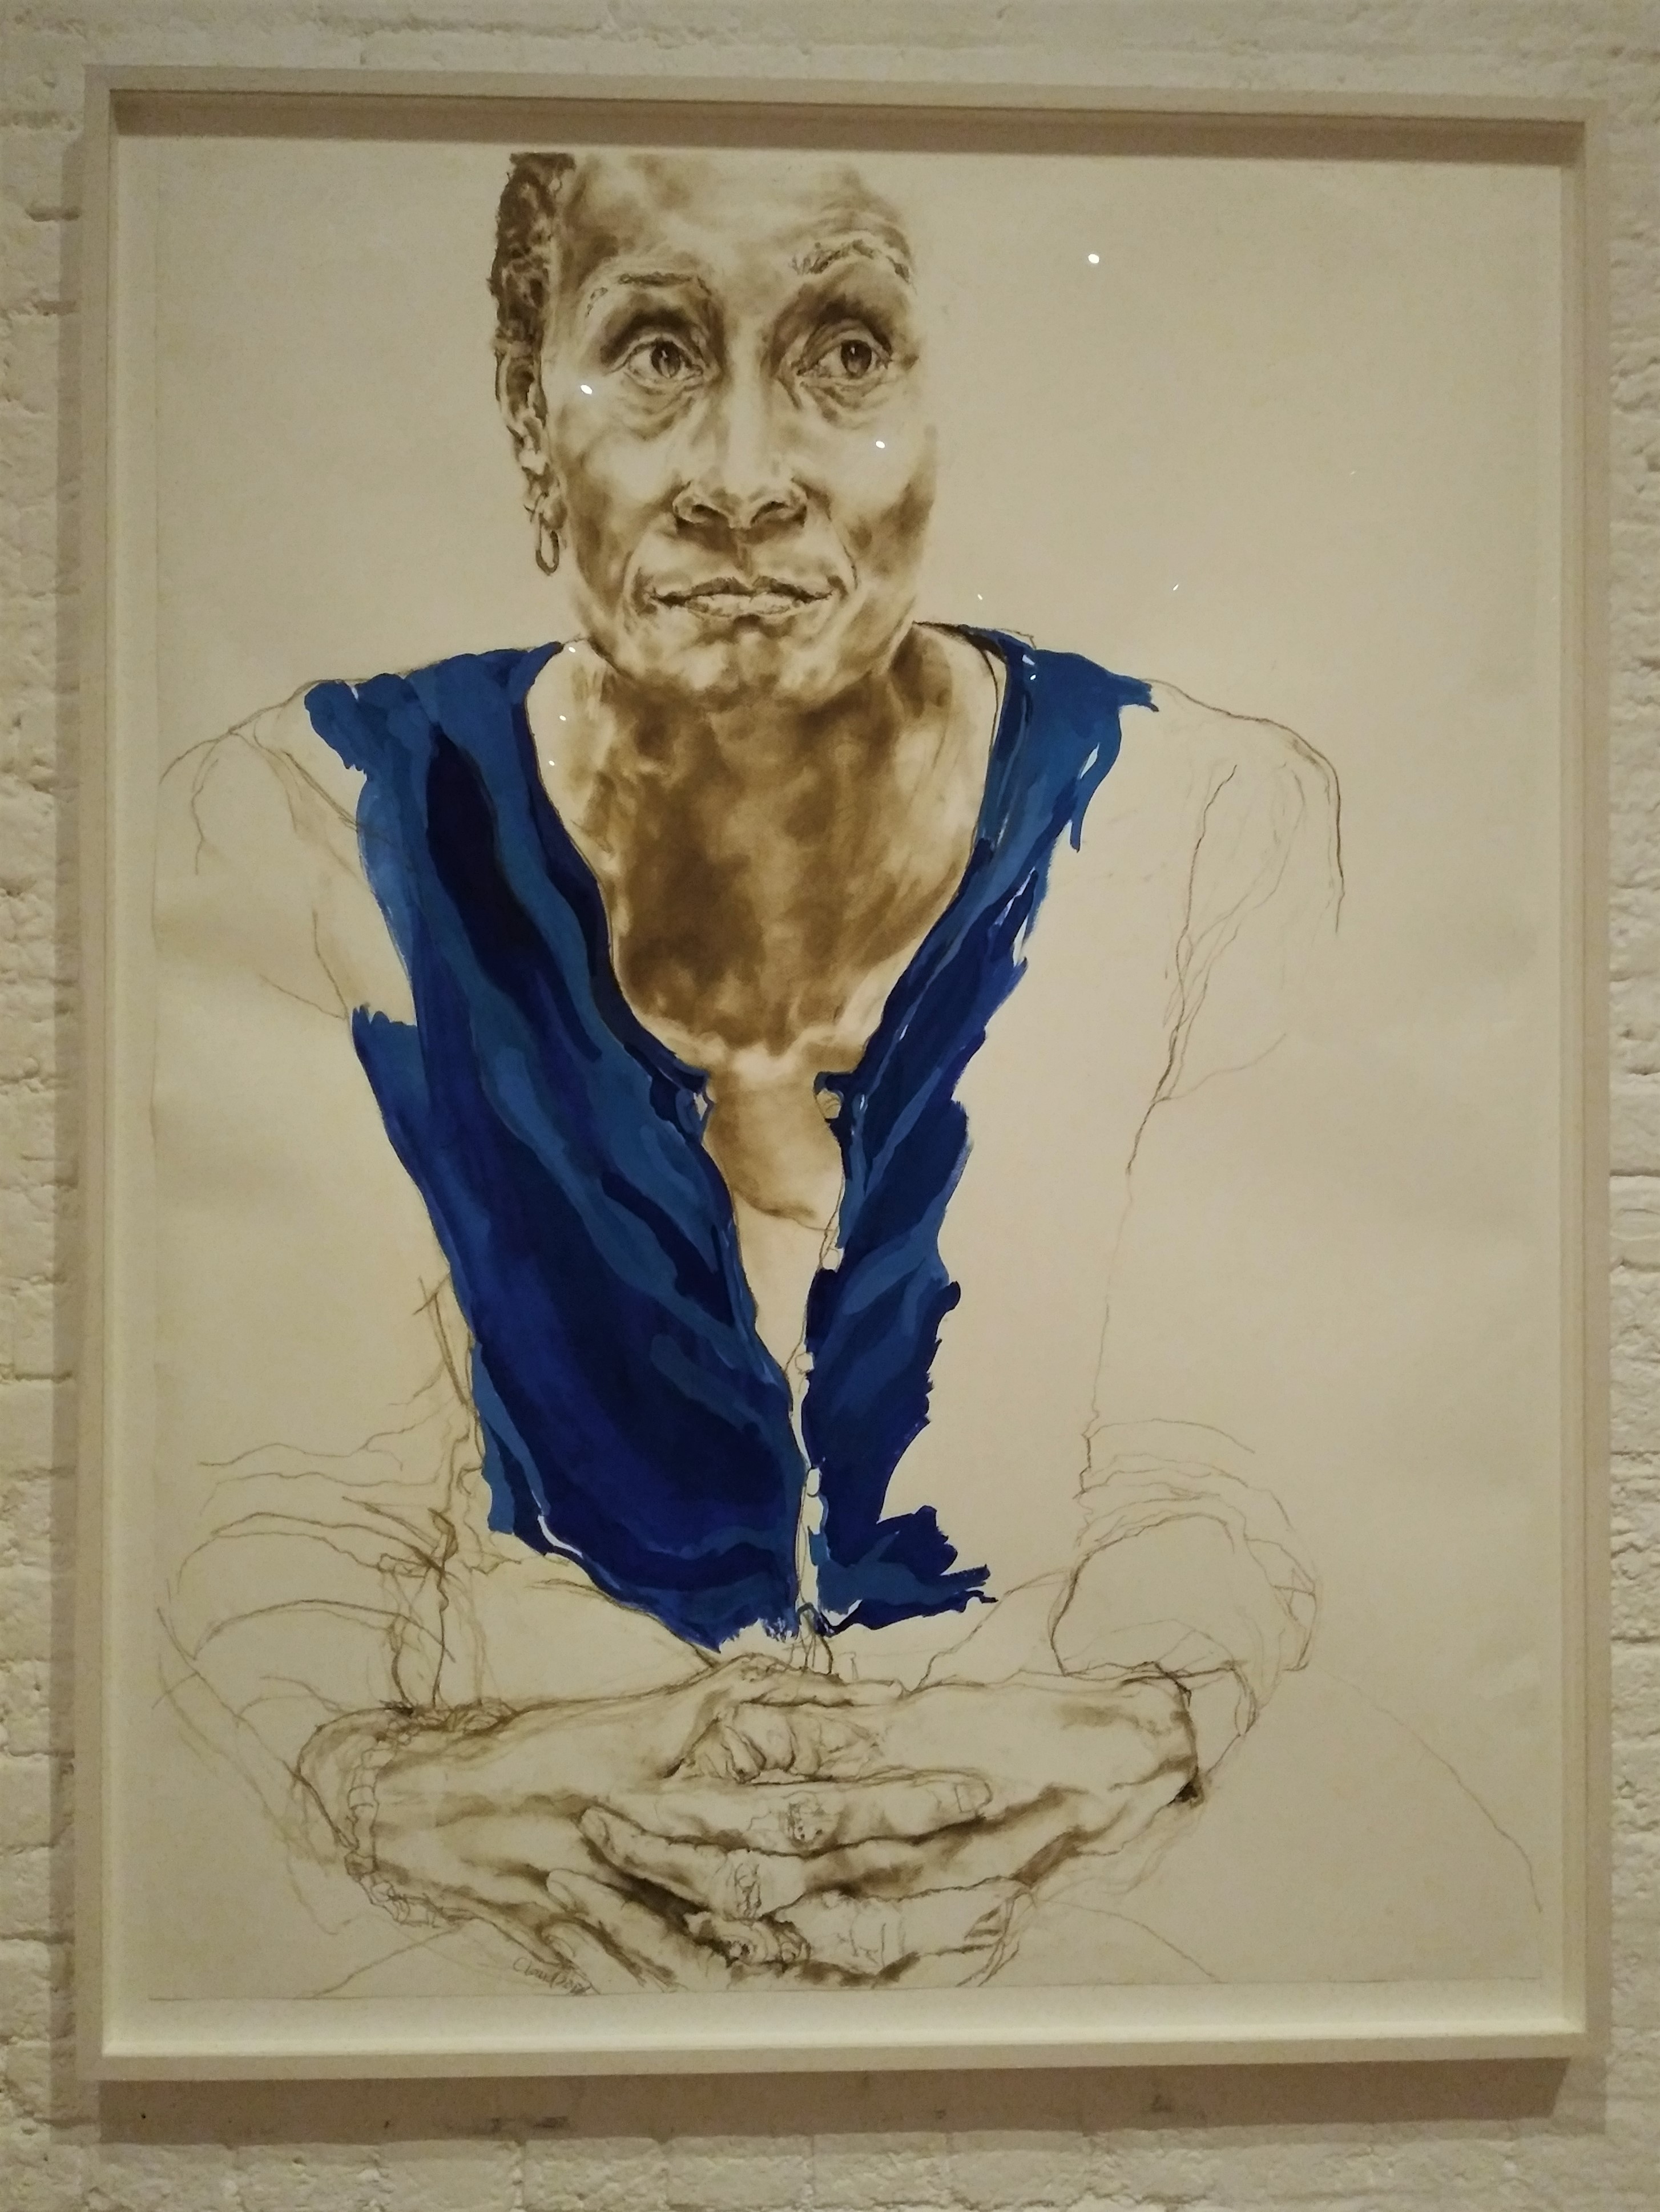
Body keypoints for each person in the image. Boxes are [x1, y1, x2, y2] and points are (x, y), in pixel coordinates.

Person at [156, 149, 1528, 1998]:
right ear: (526, 411)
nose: (742, 476)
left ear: (951, 409)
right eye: (654, 353)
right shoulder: (319, 822)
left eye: (847, 353)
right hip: (519, 1919)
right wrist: (374, 1776)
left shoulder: (1195, 821)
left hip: (1073, 1892)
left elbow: (1243, 1465)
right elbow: (274, 1517)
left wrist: (1142, 1720)